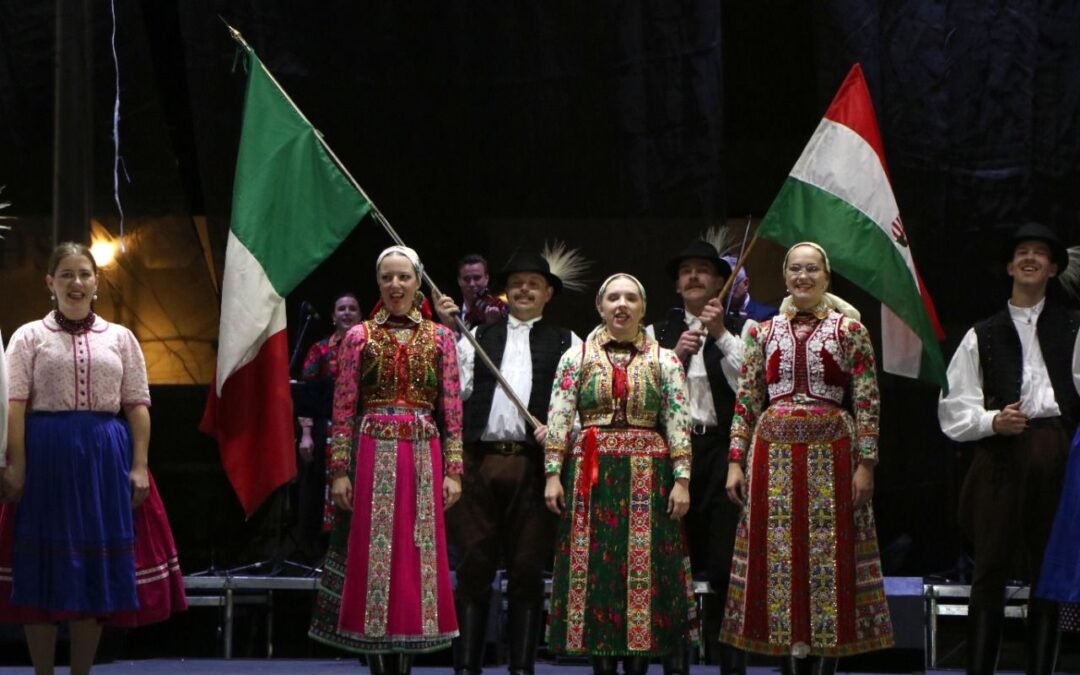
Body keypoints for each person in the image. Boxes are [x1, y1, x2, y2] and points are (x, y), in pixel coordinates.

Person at [0, 241, 186, 675]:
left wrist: (139, 466)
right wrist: (17, 465)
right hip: (46, 458)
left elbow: (138, 406)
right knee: (41, 569)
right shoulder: (28, 336)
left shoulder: (120, 338)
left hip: (103, 462)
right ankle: (44, 673)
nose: (76, 282)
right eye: (65, 274)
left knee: (94, 571)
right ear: (50, 283)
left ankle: (82, 673)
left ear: (97, 282)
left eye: (84, 274)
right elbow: (14, 405)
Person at [721, 242, 893, 674]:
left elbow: (868, 401)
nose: (803, 277)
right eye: (795, 269)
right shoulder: (761, 332)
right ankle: (787, 659)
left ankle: (824, 663)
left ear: (826, 277)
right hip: (772, 457)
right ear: (784, 277)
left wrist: (866, 464)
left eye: (812, 269)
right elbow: (747, 400)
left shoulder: (850, 332)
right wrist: (735, 460)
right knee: (779, 557)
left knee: (828, 560)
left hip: (834, 455)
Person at [308, 245, 463, 674]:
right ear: (378, 284)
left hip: (422, 454)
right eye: (387, 278)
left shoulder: (440, 338)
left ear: (418, 283)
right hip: (370, 452)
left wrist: (454, 472)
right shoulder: (358, 337)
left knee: (415, 554)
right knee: (373, 555)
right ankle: (377, 664)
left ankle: (406, 663)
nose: (396, 286)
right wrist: (338, 471)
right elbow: (342, 408)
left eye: (404, 277)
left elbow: (451, 408)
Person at [938, 222, 1078, 675]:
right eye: (1022, 252)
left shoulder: (1074, 327)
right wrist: (992, 420)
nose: (1030, 258)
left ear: (1054, 268)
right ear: (1009, 265)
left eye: (1040, 252)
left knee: (1049, 570)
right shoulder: (984, 333)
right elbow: (954, 408)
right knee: (990, 567)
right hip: (1000, 452)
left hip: (1056, 451)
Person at [435, 250, 582, 675]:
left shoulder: (567, 342)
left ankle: (521, 668)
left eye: (533, 284)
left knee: (526, 569)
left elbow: (580, 405)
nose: (523, 289)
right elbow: (453, 391)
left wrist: (558, 431)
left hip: (534, 469)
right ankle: (467, 667)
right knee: (474, 566)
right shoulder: (477, 333)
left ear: (548, 293)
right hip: (480, 465)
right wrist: (449, 333)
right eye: (516, 282)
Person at [543, 273, 698, 675]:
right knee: (598, 573)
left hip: (650, 479)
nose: (622, 305)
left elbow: (678, 422)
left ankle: (639, 666)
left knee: (646, 574)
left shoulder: (665, 360)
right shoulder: (574, 358)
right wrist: (552, 473)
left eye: (631, 298)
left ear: (643, 309)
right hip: (591, 480)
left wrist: (682, 480)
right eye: (613, 297)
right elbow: (559, 416)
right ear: (600, 306)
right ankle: (602, 667)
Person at [648, 240, 745, 675]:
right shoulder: (655, 333)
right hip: (672, 452)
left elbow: (754, 384)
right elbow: (641, 393)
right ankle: (674, 663)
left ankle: (731, 665)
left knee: (726, 565)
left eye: (702, 270)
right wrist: (676, 356)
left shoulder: (744, 328)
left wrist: (721, 334)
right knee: (672, 563)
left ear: (720, 282)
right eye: (685, 270)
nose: (693, 277)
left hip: (725, 450)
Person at [295, 292, 361, 558]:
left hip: (360, 430)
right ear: (333, 316)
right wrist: (306, 435)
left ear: (360, 315)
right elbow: (306, 396)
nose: (346, 313)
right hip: (326, 431)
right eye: (341, 309)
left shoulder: (369, 347)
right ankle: (321, 551)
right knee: (321, 490)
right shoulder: (319, 349)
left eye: (352, 309)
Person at [457, 254, 509, 330]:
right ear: (459, 281)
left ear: (487, 278)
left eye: (477, 278)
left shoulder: (501, 308)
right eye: (466, 279)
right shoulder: (452, 314)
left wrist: (493, 326)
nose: (472, 284)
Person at [721, 255, 778, 324]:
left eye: (730, 285)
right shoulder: (716, 309)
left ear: (746, 284)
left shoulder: (767, 314)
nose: (725, 290)